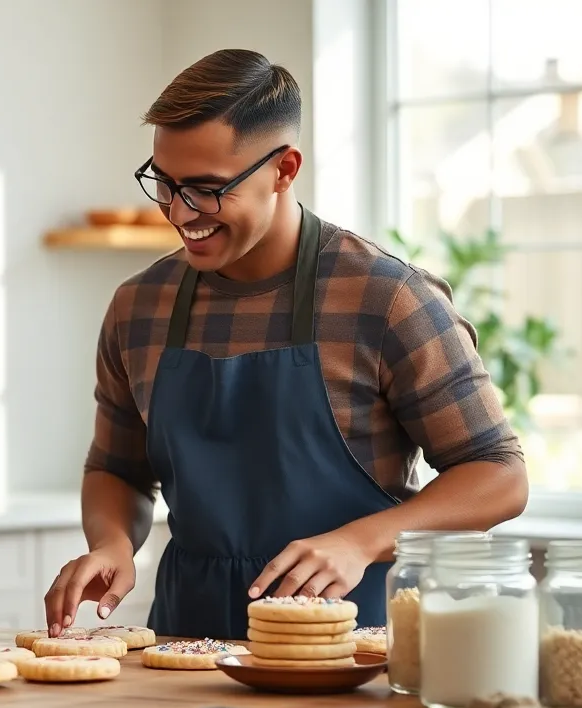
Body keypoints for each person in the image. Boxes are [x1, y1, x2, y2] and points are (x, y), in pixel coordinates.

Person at [44, 50, 529, 641]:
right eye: (164, 183)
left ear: (284, 169)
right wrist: (113, 542)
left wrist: (362, 539)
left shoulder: (387, 298)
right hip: (184, 641)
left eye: (206, 189)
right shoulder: (139, 306)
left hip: (351, 643)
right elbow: (116, 468)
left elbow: (499, 474)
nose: (178, 211)